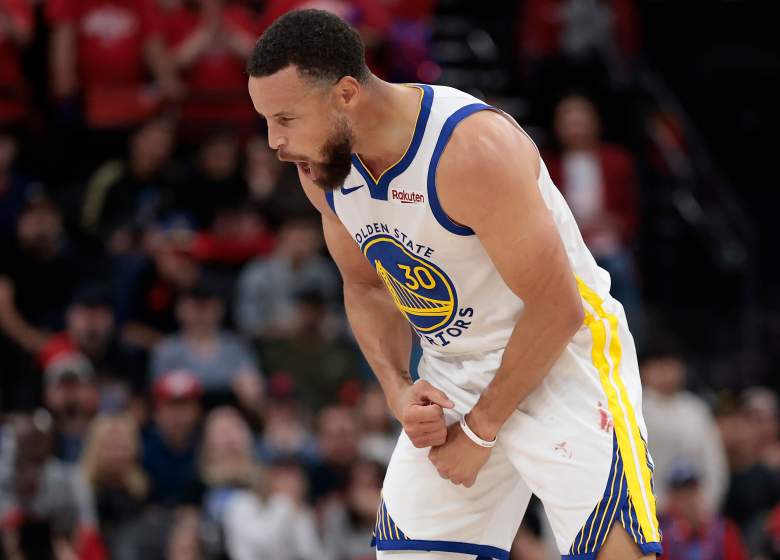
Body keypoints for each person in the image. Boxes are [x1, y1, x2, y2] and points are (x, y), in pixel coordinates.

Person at [246, 9, 661, 560]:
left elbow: (558, 309)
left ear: (345, 93)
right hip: (453, 370)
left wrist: (482, 431)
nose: (275, 142)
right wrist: (397, 389)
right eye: (267, 121)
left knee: (616, 553)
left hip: (563, 358)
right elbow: (366, 287)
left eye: (286, 119)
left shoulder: (469, 150)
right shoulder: (321, 169)